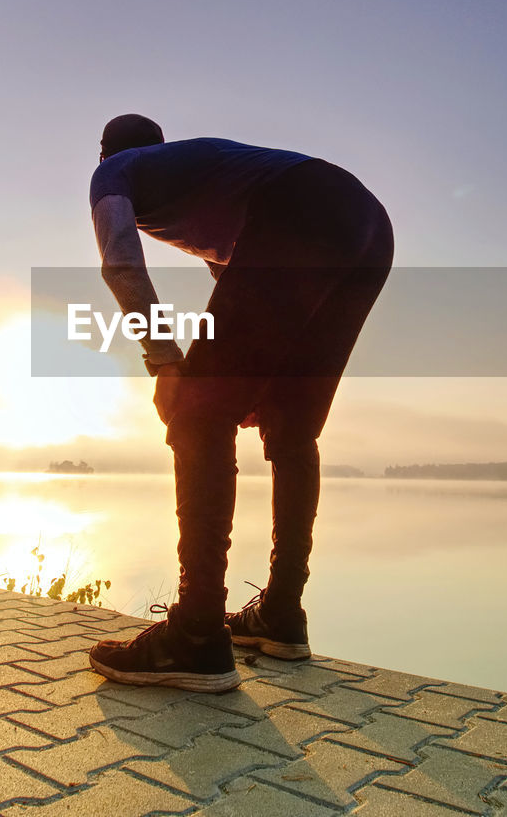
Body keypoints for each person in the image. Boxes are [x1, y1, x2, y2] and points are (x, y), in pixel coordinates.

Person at [86, 114, 393, 692]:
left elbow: (120, 259)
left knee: (195, 412)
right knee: (292, 427)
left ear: (103, 154)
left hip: (304, 209)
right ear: (163, 145)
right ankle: (281, 614)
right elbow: (232, 279)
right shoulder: (202, 170)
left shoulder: (115, 174)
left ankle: (196, 634)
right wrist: (244, 379)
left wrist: (167, 363)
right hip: (369, 225)